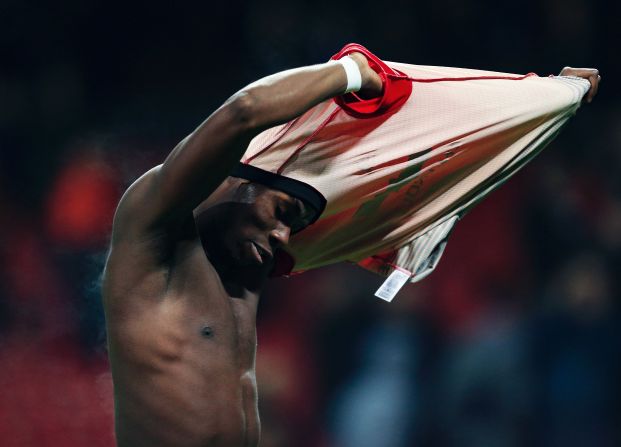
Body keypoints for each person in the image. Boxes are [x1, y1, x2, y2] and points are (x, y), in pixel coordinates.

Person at [102, 45, 599, 447]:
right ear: (243, 178)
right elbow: (245, 112)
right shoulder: (150, 226)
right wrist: (351, 73)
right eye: (280, 213)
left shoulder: (243, 260)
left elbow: (419, 163)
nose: (281, 237)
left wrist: (549, 97)